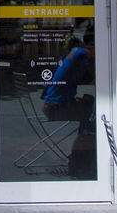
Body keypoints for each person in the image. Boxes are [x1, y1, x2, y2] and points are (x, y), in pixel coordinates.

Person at [40, 33, 95, 177]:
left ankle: (81, 153)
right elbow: (91, 71)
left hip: (52, 104)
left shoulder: (72, 54)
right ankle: (81, 158)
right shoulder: (82, 53)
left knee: (90, 103)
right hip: (55, 108)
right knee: (92, 112)